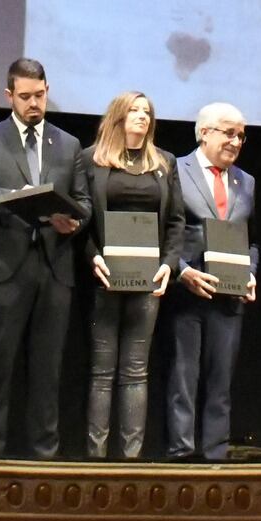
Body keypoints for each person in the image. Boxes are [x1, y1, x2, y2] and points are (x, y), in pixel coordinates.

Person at [0, 57, 91, 459]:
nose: (34, 103)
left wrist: (73, 221)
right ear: (9, 96)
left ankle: (43, 465)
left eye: (40, 95)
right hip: (2, 267)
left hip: (53, 269)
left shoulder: (68, 144)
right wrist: (15, 199)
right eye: (26, 96)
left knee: (48, 375)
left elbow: (84, 203)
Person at [81, 91, 180, 460]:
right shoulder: (90, 159)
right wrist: (92, 256)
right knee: (102, 372)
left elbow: (176, 221)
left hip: (148, 279)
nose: (142, 116)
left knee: (136, 370)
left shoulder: (164, 162)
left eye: (147, 111)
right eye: (135, 110)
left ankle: (131, 462)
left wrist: (169, 262)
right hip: (105, 278)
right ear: (118, 116)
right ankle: (96, 459)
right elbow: (81, 217)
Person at [163, 101, 258, 462]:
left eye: (241, 135)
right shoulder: (174, 168)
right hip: (186, 291)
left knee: (221, 384)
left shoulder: (246, 181)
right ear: (204, 133)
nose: (236, 141)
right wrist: (181, 270)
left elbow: (251, 239)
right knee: (182, 378)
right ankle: (182, 455)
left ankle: (217, 458)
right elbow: (163, 229)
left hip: (229, 295)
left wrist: (250, 272)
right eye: (229, 133)